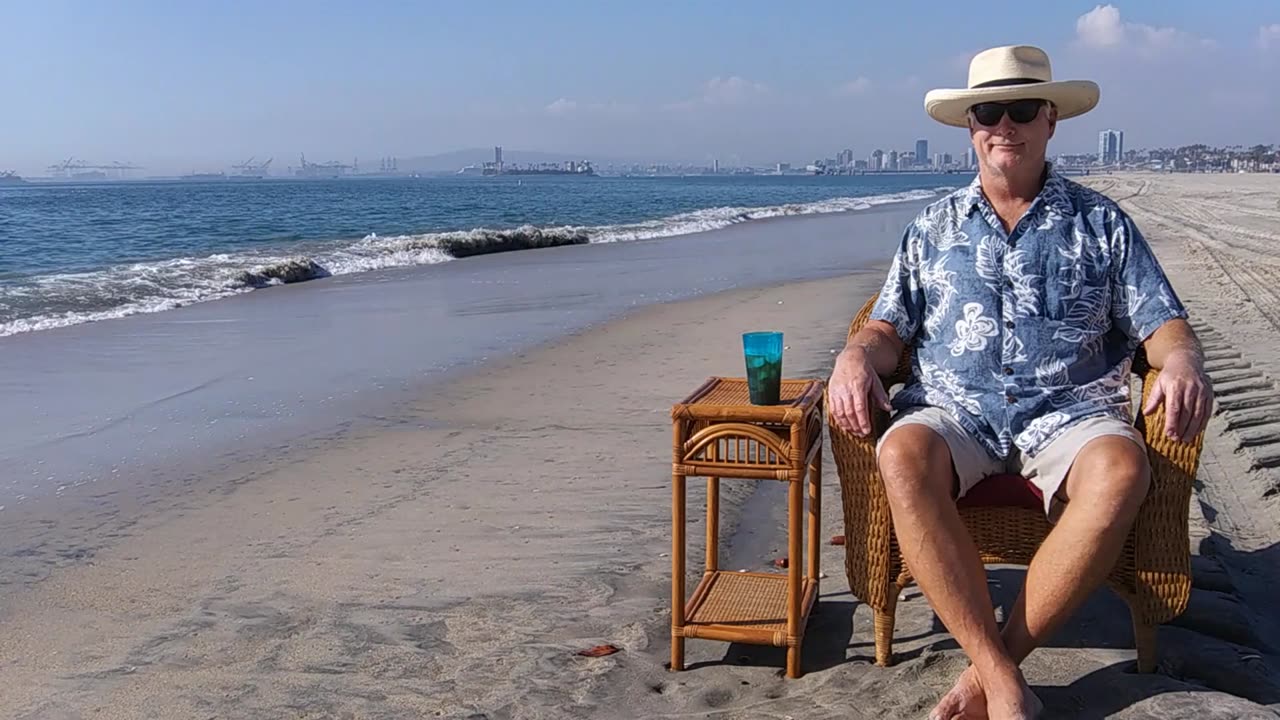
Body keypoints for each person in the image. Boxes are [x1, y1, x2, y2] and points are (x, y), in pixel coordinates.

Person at [827, 45, 1213, 720]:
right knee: (899, 453)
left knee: (1123, 468)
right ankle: (1007, 687)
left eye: (1023, 108)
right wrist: (855, 355)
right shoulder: (931, 228)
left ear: (1050, 120)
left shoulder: (1103, 225)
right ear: (971, 125)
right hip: (956, 412)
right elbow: (888, 328)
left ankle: (993, 674)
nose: (1006, 123)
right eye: (989, 110)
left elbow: (1164, 323)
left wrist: (1181, 361)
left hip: (1070, 415)